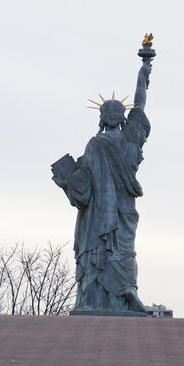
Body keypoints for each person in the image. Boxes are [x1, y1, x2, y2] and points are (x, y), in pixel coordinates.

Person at [52, 59, 153, 314]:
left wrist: (65, 181)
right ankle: (126, 289)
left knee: (99, 252)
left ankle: (93, 299)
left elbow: (81, 190)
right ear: (122, 118)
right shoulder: (131, 139)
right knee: (125, 251)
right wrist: (142, 76)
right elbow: (139, 105)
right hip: (124, 212)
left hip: (97, 218)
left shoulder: (94, 146)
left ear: (101, 119)